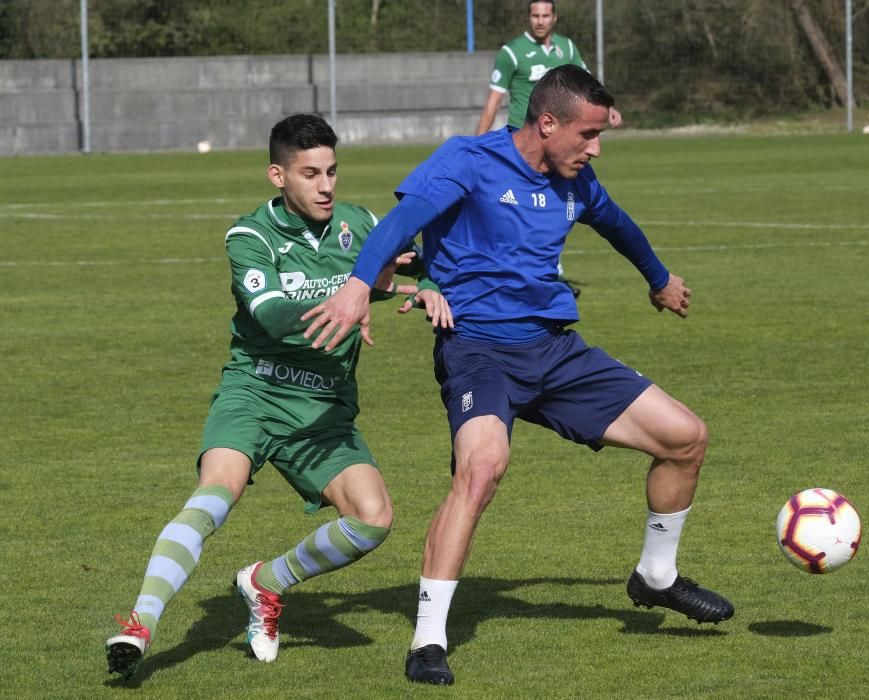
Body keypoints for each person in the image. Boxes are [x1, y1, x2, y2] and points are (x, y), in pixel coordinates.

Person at [301, 65, 734, 686]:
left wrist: (659, 280)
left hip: (554, 351)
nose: (595, 148)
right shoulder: (468, 160)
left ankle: (656, 577)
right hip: (476, 350)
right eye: (587, 134)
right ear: (547, 122)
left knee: (686, 437)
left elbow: (619, 225)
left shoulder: (575, 180)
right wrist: (353, 287)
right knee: (482, 468)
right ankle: (427, 641)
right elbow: (398, 226)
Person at [105, 113, 452, 680]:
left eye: (332, 172)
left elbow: (418, 262)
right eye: (310, 173)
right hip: (257, 390)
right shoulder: (249, 237)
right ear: (278, 176)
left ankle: (264, 583)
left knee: (373, 519)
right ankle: (140, 623)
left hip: (324, 410)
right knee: (216, 494)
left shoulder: (360, 223)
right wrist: (348, 300)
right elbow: (268, 316)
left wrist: (429, 288)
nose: (325, 186)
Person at [475, 0, 623, 299]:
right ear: (528, 17)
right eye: (535, 15)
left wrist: (608, 111)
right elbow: (493, 101)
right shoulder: (511, 52)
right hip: (522, 147)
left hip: (559, 147)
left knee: (555, 207)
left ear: (554, 17)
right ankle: (520, 275)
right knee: (515, 210)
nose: (540, 20)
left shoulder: (567, 49)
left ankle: (547, 276)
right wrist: (478, 144)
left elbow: (588, 87)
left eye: (545, 15)